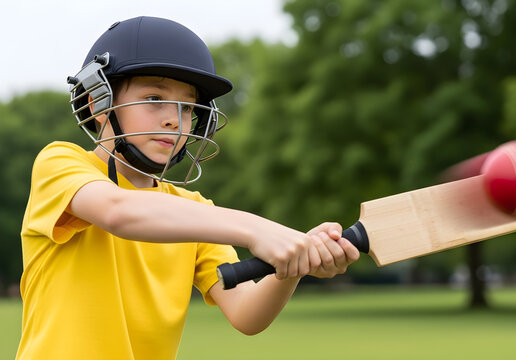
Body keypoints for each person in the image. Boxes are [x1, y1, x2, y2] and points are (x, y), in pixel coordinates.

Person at [16, 16, 359, 360]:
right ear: (98, 103)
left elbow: (247, 314)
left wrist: (292, 261)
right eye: (154, 98)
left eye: (187, 107)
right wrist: (257, 228)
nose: (173, 119)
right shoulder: (59, 164)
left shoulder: (194, 210)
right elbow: (117, 211)